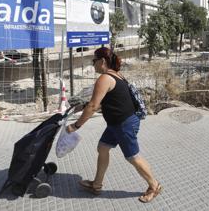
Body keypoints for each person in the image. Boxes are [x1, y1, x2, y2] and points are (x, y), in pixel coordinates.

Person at [66, 47, 162, 203]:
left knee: (133, 157)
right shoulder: (115, 75)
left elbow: (93, 106)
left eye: (94, 61)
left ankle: (154, 185)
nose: (93, 64)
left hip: (124, 124)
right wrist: (82, 107)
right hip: (116, 123)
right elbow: (108, 101)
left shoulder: (104, 79)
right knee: (103, 148)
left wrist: (76, 126)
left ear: (102, 61)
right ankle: (96, 185)